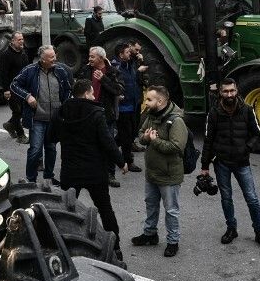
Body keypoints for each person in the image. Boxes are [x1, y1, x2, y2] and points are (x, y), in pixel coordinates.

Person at [57, 79, 128, 259]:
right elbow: (107, 142)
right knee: (105, 208)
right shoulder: (96, 113)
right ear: (87, 93)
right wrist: (121, 162)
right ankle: (116, 248)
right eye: (91, 92)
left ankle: (62, 245)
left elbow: (51, 136)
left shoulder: (63, 110)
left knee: (66, 210)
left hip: (70, 170)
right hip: (94, 170)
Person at [199, 78, 260, 249]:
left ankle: (259, 232)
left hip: (242, 163)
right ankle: (231, 229)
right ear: (220, 93)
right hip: (221, 163)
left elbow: (258, 133)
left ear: (237, 91)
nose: (229, 94)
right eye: (225, 91)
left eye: (232, 91)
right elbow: (208, 140)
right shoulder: (214, 113)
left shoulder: (247, 110)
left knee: (252, 199)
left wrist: (246, 148)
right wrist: (204, 166)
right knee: (226, 198)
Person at [131, 86, 189, 258]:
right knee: (151, 205)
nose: (146, 102)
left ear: (161, 101)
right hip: (152, 173)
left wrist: (154, 141)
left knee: (171, 210)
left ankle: (172, 241)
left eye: (149, 99)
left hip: (169, 175)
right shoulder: (151, 116)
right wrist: (146, 138)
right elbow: (141, 134)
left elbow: (176, 147)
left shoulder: (176, 121)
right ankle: (150, 235)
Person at [10, 45, 72, 184]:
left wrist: (64, 106)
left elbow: (68, 89)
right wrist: (27, 96)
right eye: (51, 57)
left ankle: (48, 177)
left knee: (51, 149)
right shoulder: (29, 70)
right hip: (37, 118)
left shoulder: (61, 71)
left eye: (54, 56)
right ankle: (31, 180)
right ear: (42, 59)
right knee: (35, 149)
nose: (55, 59)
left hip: (54, 119)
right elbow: (14, 85)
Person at [77, 46, 125, 187]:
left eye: (92, 56)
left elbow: (118, 90)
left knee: (108, 145)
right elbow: (78, 88)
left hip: (105, 115)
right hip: (87, 114)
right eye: (89, 56)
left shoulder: (112, 72)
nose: (89, 59)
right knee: (87, 145)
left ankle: (110, 174)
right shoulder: (86, 70)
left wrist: (103, 79)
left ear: (101, 58)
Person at [113, 42, 147, 172]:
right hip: (123, 107)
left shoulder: (129, 64)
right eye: (127, 52)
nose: (130, 53)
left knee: (127, 134)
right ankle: (128, 160)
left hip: (133, 104)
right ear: (121, 55)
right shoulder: (116, 67)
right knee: (126, 136)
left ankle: (108, 150)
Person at [0, 32, 31, 143]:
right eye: (19, 39)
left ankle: (9, 124)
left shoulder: (23, 53)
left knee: (22, 111)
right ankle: (21, 136)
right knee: (17, 111)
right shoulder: (6, 55)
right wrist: (6, 90)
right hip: (11, 88)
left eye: (22, 39)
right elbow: (3, 73)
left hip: (22, 88)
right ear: (12, 41)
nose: (22, 41)